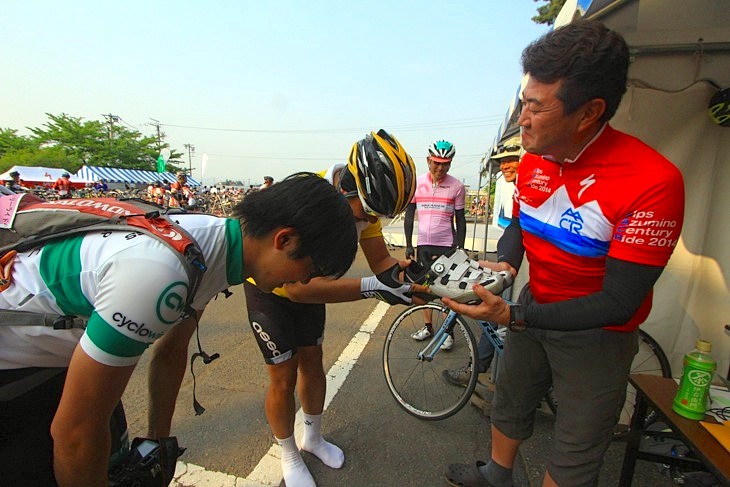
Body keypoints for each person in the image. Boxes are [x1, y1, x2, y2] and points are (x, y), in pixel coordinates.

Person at [443, 20, 685, 487]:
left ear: (589, 112)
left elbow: (620, 301)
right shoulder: (534, 155)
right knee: (511, 397)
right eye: (522, 103)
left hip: (598, 330)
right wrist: (509, 262)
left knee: (577, 443)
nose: (522, 120)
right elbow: (520, 221)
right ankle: (497, 474)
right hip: (535, 303)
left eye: (535, 107)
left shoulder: (652, 181)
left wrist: (514, 316)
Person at [0, 173, 359, 486]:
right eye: (311, 269)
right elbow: (74, 434)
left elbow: (172, 351)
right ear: (284, 240)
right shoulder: (161, 276)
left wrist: (157, 441)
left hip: (53, 349)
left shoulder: (208, 244)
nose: (306, 281)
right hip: (15, 362)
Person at [243, 129, 426, 487]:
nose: (371, 219)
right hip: (270, 292)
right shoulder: (309, 203)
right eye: (371, 211)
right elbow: (298, 289)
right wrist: (375, 288)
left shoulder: (363, 206)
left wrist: (404, 277)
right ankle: (288, 453)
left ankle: (311, 438)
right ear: (348, 187)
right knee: (283, 377)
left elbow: (380, 262)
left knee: (313, 362)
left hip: (311, 288)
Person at [443, 136, 522, 388]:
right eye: (502, 161)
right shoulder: (523, 188)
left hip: (551, 277)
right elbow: (516, 226)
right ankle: (478, 368)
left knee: (508, 317)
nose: (505, 166)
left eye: (512, 160)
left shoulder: (538, 183)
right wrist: (506, 262)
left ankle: (488, 372)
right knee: (494, 313)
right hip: (520, 264)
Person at [405, 139, 466, 350]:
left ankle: (447, 333)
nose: (440, 168)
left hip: (446, 245)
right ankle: (428, 327)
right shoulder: (417, 183)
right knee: (425, 289)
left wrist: (460, 248)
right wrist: (408, 245)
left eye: (445, 164)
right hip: (424, 245)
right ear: (428, 160)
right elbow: (409, 215)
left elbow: (461, 219)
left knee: (446, 291)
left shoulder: (456, 186)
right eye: (436, 163)